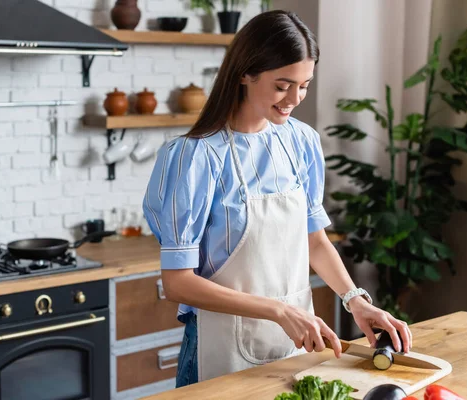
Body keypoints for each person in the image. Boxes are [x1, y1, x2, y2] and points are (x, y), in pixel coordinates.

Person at [142, 10, 412, 387]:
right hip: (219, 350)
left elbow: (314, 240)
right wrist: (279, 311)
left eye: (304, 85)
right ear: (244, 74)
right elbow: (178, 283)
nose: (294, 99)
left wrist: (356, 300)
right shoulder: (194, 157)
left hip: (295, 346)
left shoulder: (299, 142)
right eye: (282, 85)